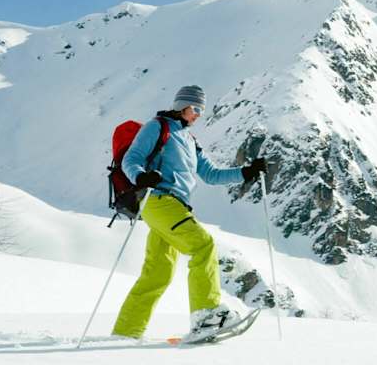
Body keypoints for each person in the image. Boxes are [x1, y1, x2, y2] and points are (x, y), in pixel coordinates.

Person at [110, 85, 267, 340]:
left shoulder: (190, 140)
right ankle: (206, 317)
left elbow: (211, 175)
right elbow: (132, 159)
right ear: (181, 105)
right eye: (195, 109)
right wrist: (141, 176)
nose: (198, 115)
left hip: (173, 206)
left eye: (201, 111)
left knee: (157, 274)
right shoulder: (157, 127)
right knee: (203, 245)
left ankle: (126, 332)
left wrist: (246, 172)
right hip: (159, 201)